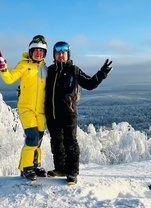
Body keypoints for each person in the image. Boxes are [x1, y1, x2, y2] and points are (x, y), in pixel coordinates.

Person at [45, 41, 113, 185]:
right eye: (58, 53)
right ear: (54, 55)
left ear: (68, 54)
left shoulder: (74, 70)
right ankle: (60, 169)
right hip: (52, 113)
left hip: (69, 112)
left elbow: (89, 84)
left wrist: (102, 73)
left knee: (70, 142)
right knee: (56, 142)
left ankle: (72, 172)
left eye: (63, 53)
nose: (61, 55)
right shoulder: (49, 70)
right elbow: (38, 86)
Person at [0, 35, 48, 181]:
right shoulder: (24, 65)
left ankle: (36, 165)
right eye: (35, 51)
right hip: (26, 108)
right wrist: (3, 66)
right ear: (30, 51)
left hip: (41, 111)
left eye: (41, 52)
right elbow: (10, 78)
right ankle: (25, 168)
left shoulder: (44, 68)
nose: (38, 54)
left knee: (39, 139)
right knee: (32, 137)